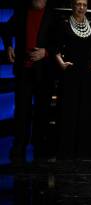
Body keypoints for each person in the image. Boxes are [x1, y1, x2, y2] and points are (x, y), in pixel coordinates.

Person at [2, 0, 55, 164]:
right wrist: (9, 46)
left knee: (42, 109)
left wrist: (45, 52)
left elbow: (59, 43)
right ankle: (19, 144)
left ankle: (39, 144)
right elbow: (6, 29)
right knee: (22, 109)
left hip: (44, 72)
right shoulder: (21, 13)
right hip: (24, 70)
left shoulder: (53, 16)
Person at [55, 0, 91, 160]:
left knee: (86, 111)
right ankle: (66, 150)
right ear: (72, 5)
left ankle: (85, 150)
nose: (81, 8)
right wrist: (61, 63)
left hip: (88, 74)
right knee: (69, 110)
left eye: (84, 5)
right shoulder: (64, 24)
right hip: (71, 72)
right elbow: (56, 48)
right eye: (78, 4)